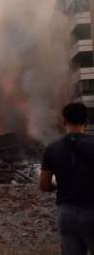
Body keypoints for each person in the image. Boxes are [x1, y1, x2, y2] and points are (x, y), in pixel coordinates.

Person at [40, 102, 94, 255]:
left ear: (64, 121)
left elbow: (44, 185)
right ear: (86, 121)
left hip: (66, 215)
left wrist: (58, 186)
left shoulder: (52, 148)